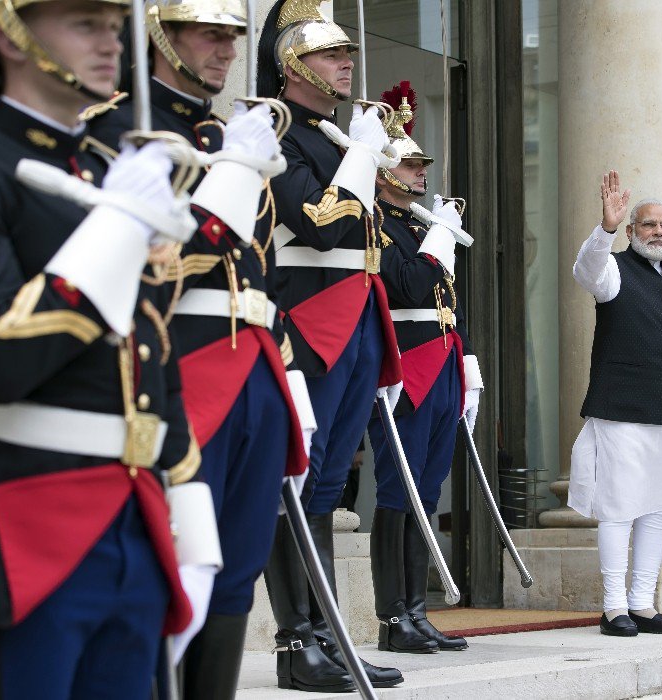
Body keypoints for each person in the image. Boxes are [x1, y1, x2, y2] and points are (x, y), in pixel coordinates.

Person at [0, 1, 213, 696]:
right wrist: (117, 228)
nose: (110, 44)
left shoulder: (106, 171)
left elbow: (153, 351)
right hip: (26, 519)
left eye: (112, 26)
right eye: (83, 24)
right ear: (9, 34)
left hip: (136, 518)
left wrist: (192, 523)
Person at [87, 3, 315, 696]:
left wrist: (290, 371)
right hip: (179, 364)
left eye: (232, 36)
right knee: (173, 560)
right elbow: (151, 259)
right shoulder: (119, 125)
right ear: (161, 34)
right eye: (209, 34)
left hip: (253, 367)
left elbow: (259, 270)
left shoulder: (227, 129)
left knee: (236, 567)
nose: (225, 50)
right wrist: (233, 176)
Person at [257, 0, 403, 692]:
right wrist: (366, 154)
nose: (347, 62)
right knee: (298, 480)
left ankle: (330, 635)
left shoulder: (338, 138)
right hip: (310, 322)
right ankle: (296, 644)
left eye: (347, 51)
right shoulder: (276, 128)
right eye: (330, 53)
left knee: (330, 484)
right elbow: (316, 223)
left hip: (357, 321)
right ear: (293, 62)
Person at [367, 81, 480, 654]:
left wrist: (469, 362)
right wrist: (438, 238)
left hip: (442, 365)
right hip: (406, 370)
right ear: (385, 172)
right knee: (398, 490)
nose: (421, 175)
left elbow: (447, 299)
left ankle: (417, 609)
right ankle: (392, 618)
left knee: (427, 491)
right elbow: (407, 283)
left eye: (421, 166)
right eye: (411, 167)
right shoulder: (378, 224)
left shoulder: (415, 225)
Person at [569, 171, 662, 638]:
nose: (658, 233)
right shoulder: (613, 269)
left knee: (657, 510)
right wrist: (604, 228)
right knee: (620, 507)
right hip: (622, 410)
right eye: (648, 225)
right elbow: (586, 270)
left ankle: (643, 604)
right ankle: (613, 608)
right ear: (631, 231)